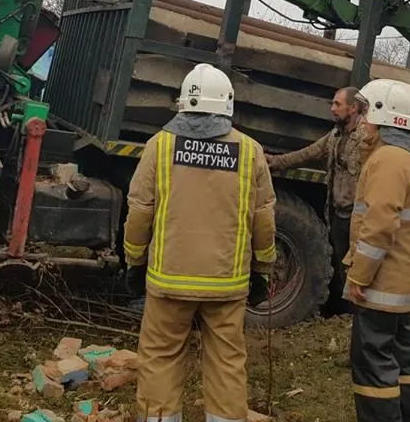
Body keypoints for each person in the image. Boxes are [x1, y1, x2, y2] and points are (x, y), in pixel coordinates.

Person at [123, 62, 277, 422]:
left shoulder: (159, 146)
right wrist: (262, 269)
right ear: (228, 103)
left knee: (160, 358)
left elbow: (140, 210)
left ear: (183, 104)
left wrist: (134, 260)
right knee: (226, 362)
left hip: (168, 282)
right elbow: (264, 218)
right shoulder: (250, 151)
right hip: (227, 284)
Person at [343, 78, 410, 422]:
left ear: (383, 115)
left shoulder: (388, 159)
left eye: (364, 112)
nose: (360, 121)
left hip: (382, 286)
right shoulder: (407, 155)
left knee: (373, 368)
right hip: (401, 283)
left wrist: (358, 276)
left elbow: (378, 226)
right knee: (402, 364)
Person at [265, 86, 375, 307]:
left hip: (357, 218)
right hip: (337, 213)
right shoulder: (335, 135)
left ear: (353, 107)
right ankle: (341, 310)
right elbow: (310, 153)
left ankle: (353, 313)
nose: (332, 108)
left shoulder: (368, 139)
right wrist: (274, 162)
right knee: (338, 263)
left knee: (354, 269)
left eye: (337, 104)